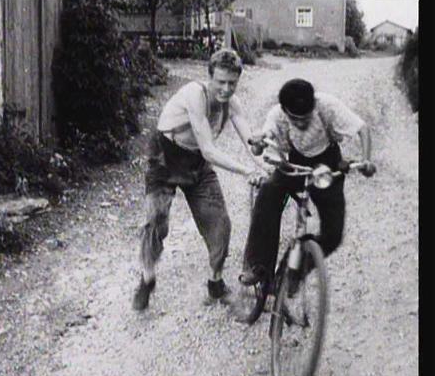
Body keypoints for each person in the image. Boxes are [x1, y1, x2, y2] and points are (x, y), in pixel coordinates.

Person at [133, 48, 266, 311]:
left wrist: (263, 163)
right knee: (156, 221)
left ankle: (215, 284)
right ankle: (147, 277)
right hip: (165, 157)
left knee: (220, 224)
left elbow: (250, 141)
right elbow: (209, 150)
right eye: (221, 82)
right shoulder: (195, 95)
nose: (226, 89)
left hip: (196, 163)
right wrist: (246, 171)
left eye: (232, 83)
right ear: (210, 77)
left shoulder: (232, 103)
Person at [240, 78, 376, 293]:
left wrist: (366, 160)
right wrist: (258, 142)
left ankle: (291, 273)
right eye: (295, 119)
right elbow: (262, 142)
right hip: (294, 164)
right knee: (268, 191)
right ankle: (258, 266)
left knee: (333, 235)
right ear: (285, 110)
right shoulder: (276, 115)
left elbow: (362, 128)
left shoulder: (327, 106)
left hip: (327, 167)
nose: (302, 124)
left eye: (307, 117)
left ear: (314, 105)